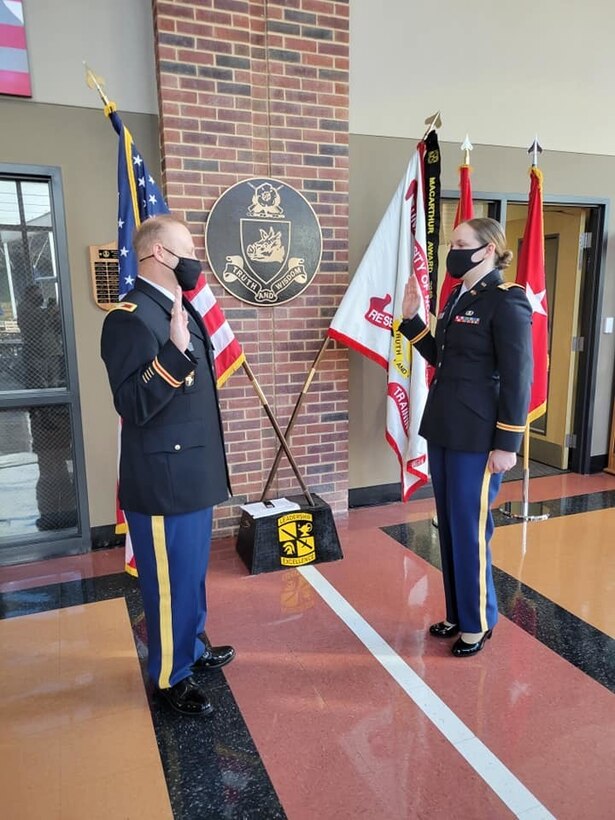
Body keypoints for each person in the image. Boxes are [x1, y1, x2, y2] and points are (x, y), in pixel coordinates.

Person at [101, 214, 235, 715]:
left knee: (191, 575)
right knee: (167, 585)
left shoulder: (179, 308)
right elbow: (132, 405)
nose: (194, 259)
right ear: (159, 253)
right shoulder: (129, 318)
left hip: (192, 475)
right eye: (186, 249)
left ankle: (192, 649)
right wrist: (175, 355)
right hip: (162, 482)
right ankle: (168, 677)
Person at [400, 217, 532, 657]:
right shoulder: (458, 295)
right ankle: (459, 612)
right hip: (445, 427)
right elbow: (442, 356)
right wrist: (412, 320)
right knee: (451, 526)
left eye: (460, 243)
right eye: (451, 242)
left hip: (478, 437)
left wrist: (506, 444)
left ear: (487, 249)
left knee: (472, 530)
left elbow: (518, 378)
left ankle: (477, 624)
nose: (451, 250)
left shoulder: (507, 301)